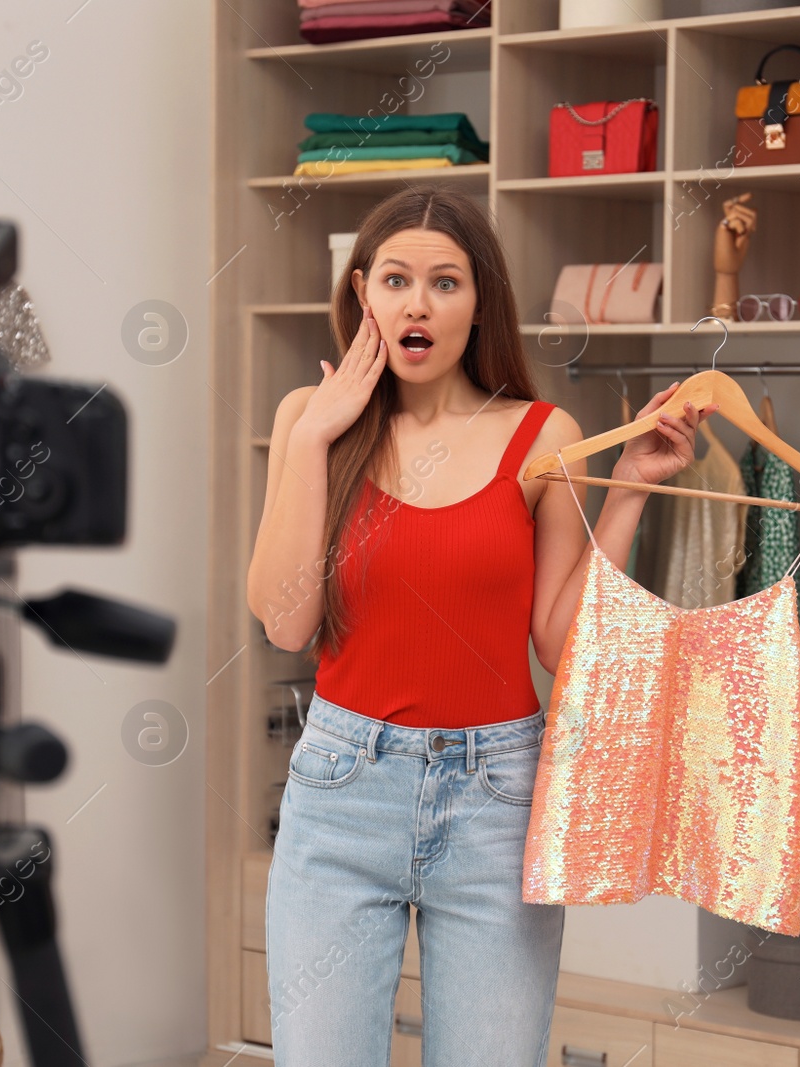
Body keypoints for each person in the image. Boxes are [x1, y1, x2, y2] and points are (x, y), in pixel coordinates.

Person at [245, 185, 711, 1065]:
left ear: (478, 303)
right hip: (342, 794)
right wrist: (312, 440)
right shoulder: (308, 426)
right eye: (394, 279)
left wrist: (631, 489)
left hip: (496, 798)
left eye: (445, 282)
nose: (416, 302)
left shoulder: (542, 433)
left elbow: (558, 642)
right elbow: (283, 621)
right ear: (360, 297)